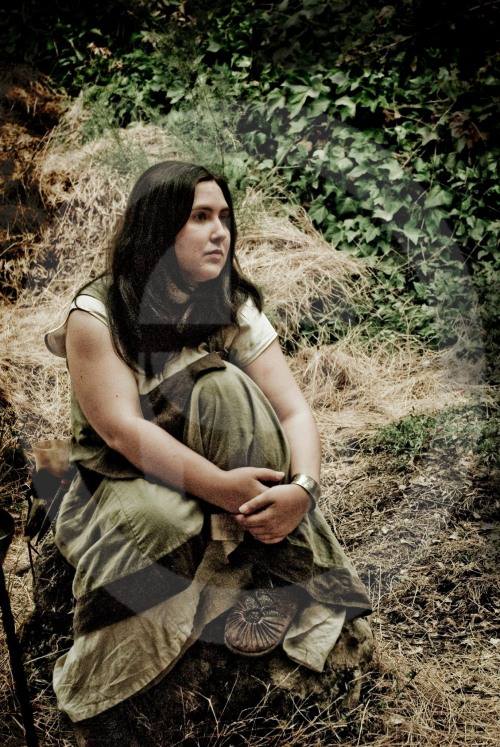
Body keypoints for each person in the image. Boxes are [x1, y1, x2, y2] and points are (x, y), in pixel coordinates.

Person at [44, 160, 371, 724]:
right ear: (158, 226)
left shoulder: (232, 306)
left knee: (224, 389)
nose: (219, 231)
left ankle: (253, 582)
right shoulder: (97, 314)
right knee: (164, 522)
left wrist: (302, 491)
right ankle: (114, 686)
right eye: (200, 216)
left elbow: (293, 410)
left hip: (223, 468)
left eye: (224, 216)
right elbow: (122, 431)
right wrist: (221, 488)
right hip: (122, 471)